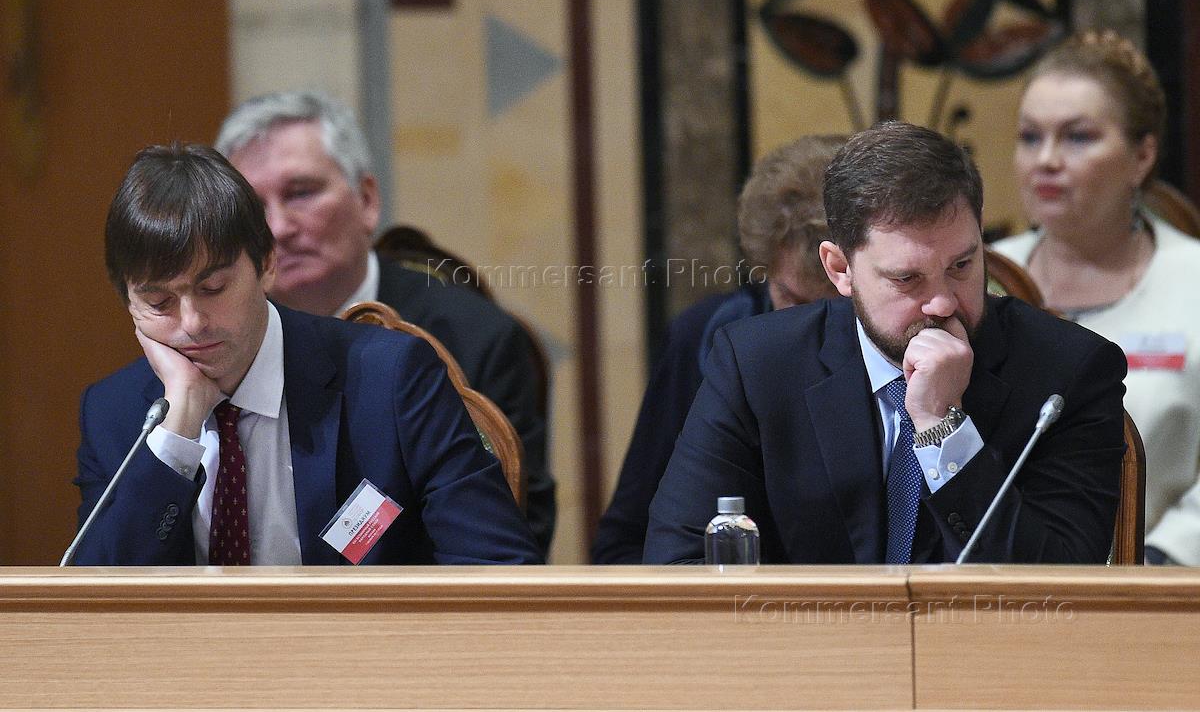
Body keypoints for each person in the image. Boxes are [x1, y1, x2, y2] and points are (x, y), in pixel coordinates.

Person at [644, 122, 1127, 565]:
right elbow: (679, 566)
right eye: (906, 279)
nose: (942, 303)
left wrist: (943, 427)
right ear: (840, 269)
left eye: (961, 265)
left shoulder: (1069, 372)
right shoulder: (757, 365)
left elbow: (1061, 585)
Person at [72, 144, 541, 566]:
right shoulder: (114, 412)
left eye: (213, 288)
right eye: (159, 303)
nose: (192, 323)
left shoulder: (392, 379)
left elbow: (497, 565)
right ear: (128, 302)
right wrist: (176, 433)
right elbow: (97, 606)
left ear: (267, 264)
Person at [214, 91, 555, 555]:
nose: (278, 228)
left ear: (367, 200)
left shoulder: (476, 340)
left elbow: (513, 530)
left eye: (301, 193)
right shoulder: (216, 343)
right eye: (254, 210)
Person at [992, 30, 1200, 565]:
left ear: (1142, 155)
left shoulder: (1193, 279)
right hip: (991, 582)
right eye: (1030, 137)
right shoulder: (977, 276)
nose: (1046, 160)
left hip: (1163, 583)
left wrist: (1162, 558)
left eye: (1078, 137)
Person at [591, 135, 843, 563]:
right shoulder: (705, 336)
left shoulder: (911, 341)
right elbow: (625, 541)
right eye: (794, 300)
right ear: (764, 269)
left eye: (838, 307)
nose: (815, 326)